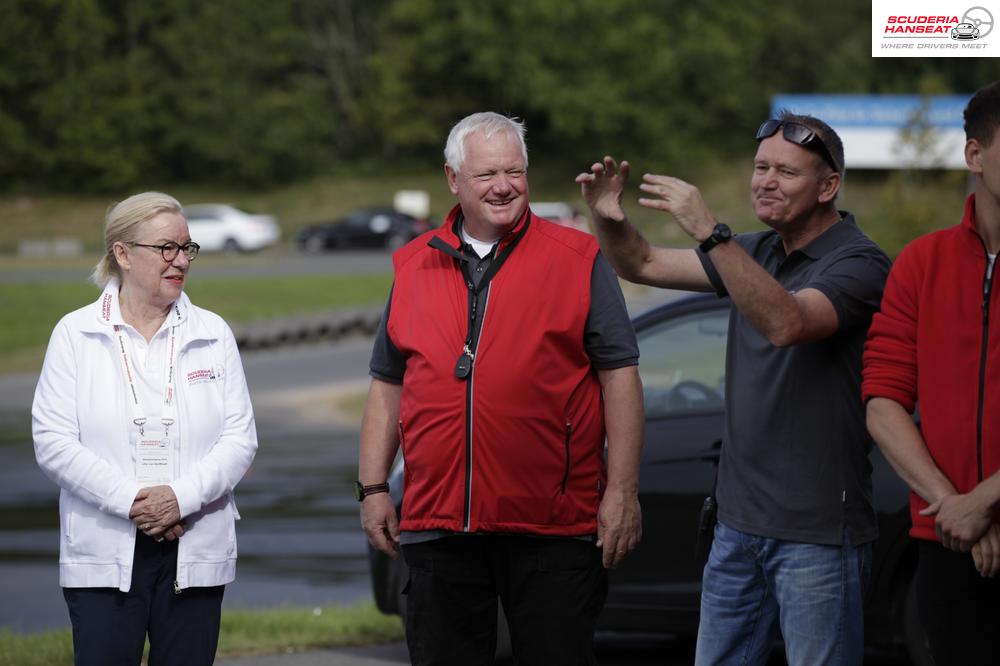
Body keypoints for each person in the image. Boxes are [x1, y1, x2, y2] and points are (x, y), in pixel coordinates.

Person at [576, 112, 890, 665]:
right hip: (736, 527)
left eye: (786, 172)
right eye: (760, 167)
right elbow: (641, 261)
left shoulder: (859, 262)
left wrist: (710, 231)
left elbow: (788, 322)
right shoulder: (758, 250)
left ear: (828, 187)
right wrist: (608, 217)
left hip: (817, 534)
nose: (766, 180)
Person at [358, 112, 643, 666]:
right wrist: (373, 489)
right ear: (453, 179)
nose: (504, 186)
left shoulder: (577, 258)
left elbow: (621, 377)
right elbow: (388, 384)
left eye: (515, 171)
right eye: (487, 174)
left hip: (553, 529)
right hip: (437, 526)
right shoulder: (413, 265)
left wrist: (622, 493)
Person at [32, 192, 258, 666]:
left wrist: (180, 497)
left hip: (193, 545)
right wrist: (134, 501)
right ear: (122, 254)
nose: (180, 261)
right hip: (103, 550)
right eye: (166, 249)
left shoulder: (213, 333)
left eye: (187, 249)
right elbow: (53, 442)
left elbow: (240, 439)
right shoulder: (75, 334)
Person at [863, 81, 1000, 665]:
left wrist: (987, 501)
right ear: (974, 156)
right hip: (946, 542)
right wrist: (953, 505)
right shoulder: (921, 263)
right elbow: (882, 402)